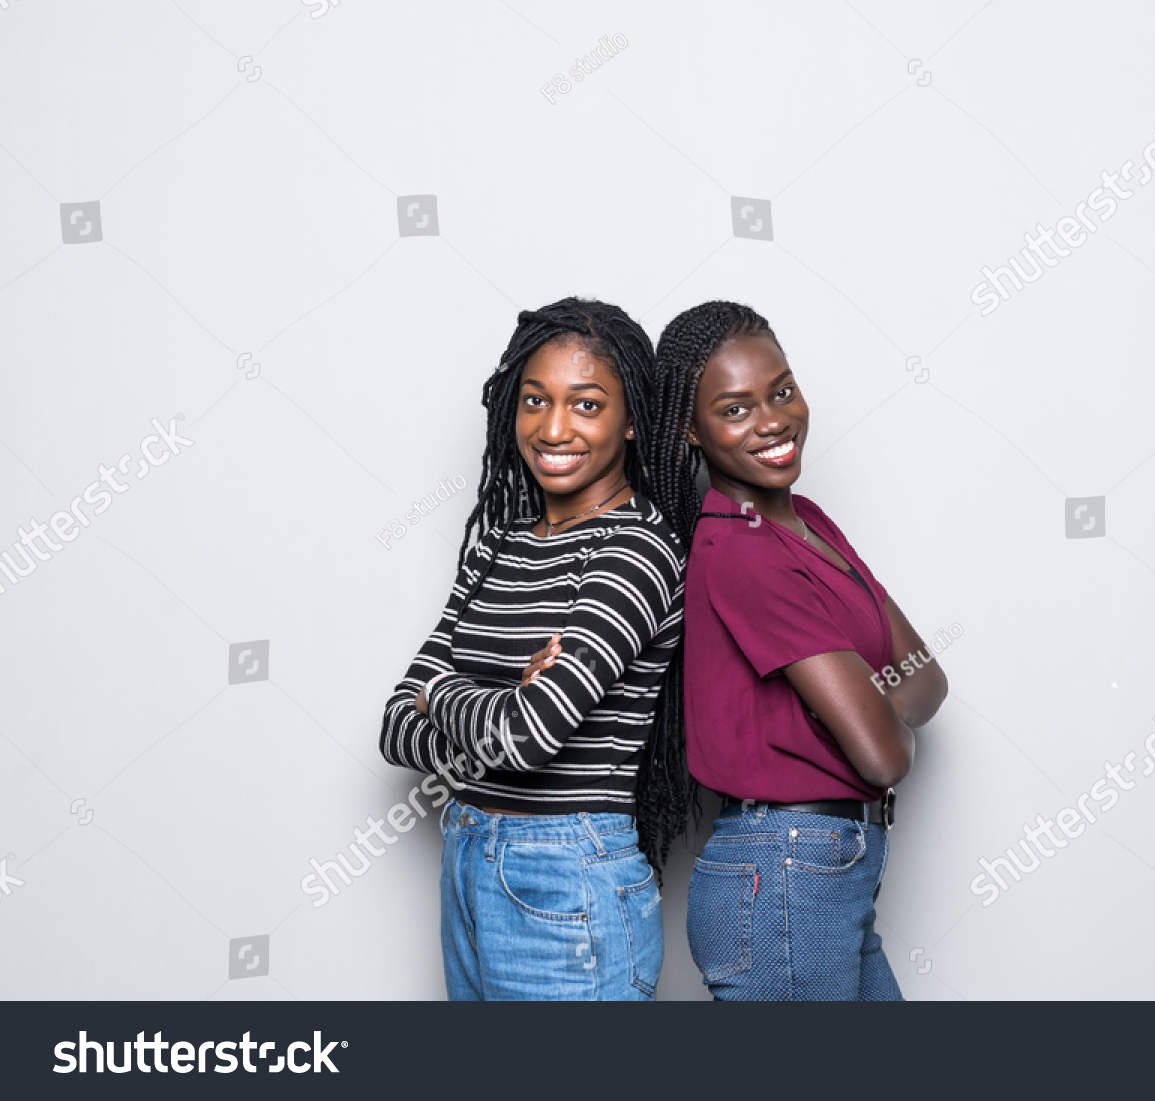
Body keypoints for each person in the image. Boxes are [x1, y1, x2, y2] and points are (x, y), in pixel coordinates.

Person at [379, 297, 695, 1000]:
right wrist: (491, 709)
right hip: (466, 852)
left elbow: (527, 738)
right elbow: (395, 725)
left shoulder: (635, 550)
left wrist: (444, 695)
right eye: (534, 400)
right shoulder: (499, 542)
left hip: (565, 875)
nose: (553, 428)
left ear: (633, 418)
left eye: (586, 404)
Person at [652, 301, 948, 1000]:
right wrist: (865, 712)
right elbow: (885, 754)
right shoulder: (742, 552)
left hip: (829, 874)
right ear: (691, 430)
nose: (773, 420)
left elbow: (928, 680)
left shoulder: (807, 523)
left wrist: (856, 708)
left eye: (780, 391)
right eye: (735, 409)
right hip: (783, 873)